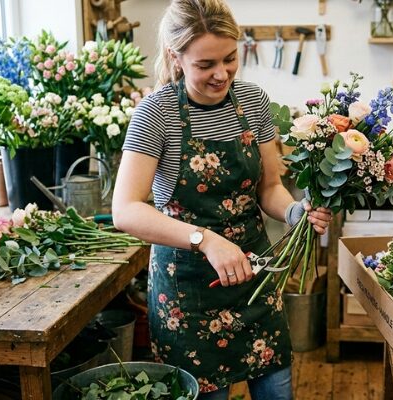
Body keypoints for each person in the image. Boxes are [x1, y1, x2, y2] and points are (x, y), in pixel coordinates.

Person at [112, 1, 332, 398]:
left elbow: (269, 187)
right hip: (189, 294)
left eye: (230, 59)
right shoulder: (156, 114)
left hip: (254, 279)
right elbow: (125, 210)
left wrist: (295, 211)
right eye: (205, 64)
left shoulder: (253, 102)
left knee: (277, 390)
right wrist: (206, 239)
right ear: (175, 58)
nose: (221, 73)